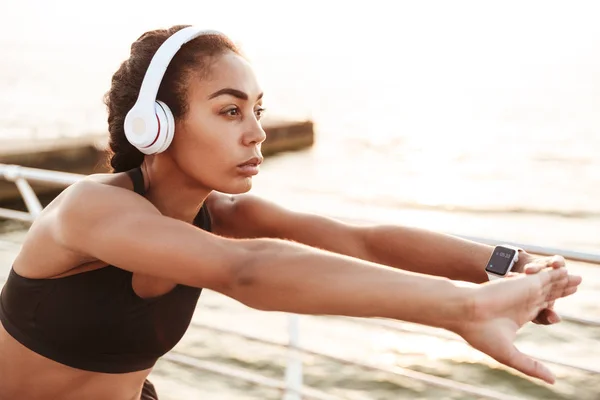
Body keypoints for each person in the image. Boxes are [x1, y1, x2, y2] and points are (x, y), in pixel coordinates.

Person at [0, 24, 581, 400]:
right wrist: (464, 309)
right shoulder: (91, 210)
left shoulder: (222, 214)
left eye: (258, 109)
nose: (258, 133)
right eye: (230, 112)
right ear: (156, 124)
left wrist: (510, 264)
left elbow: (364, 242)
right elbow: (245, 272)